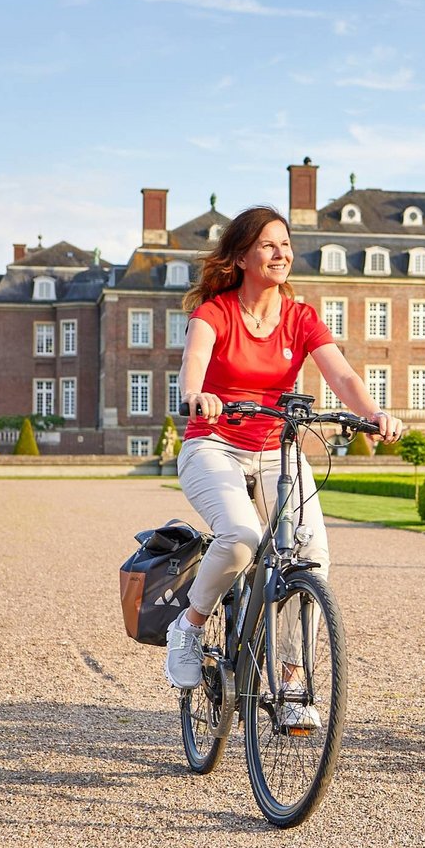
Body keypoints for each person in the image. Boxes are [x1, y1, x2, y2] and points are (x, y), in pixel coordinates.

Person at [165, 205, 403, 727]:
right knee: (241, 535)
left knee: (311, 552)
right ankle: (188, 625)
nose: (282, 254)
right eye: (269, 245)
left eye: (286, 245)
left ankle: (293, 678)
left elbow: (340, 376)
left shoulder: (301, 318)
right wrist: (197, 396)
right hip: (214, 443)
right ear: (243, 256)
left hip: (277, 448)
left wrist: (374, 413)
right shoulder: (215, 314)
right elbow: (193, 367)